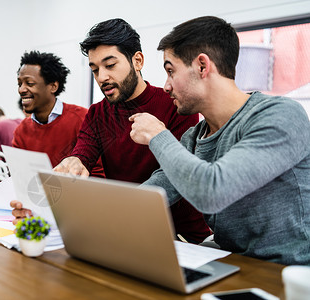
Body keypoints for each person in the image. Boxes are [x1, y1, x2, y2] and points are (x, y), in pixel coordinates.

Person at [129, 16, 310, 265]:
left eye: (171, 71)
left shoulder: (282, 115)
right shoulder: (194, 137)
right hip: (230, 263)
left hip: (285, 273)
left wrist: (158, 136)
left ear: (202, 66)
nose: (166, 86)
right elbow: (153, 193)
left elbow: (212, 191)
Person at [13, 19, 211, 243]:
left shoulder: (174, 104)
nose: (101, 77)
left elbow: (177, 176)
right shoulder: (97, 113)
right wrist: (74, 163)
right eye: (95, 69)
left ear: (137, 61)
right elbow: (82, 154)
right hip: (125, 229)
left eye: (110, 65)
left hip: (181, 236)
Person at [12, 50, 104, 176]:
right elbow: (19, 176)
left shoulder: (81, 118)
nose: (21, 89)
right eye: (19, 84)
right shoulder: (22, 130)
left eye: (30, 83)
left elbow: (98, 174)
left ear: (53, 86)